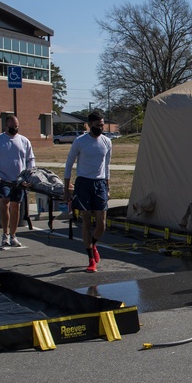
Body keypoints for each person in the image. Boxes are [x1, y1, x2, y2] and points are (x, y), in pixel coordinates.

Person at [64, 111, 113, 273]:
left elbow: (106, 167)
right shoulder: (80, 141)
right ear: (90, 124)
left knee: (101, 223)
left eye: (102, 124)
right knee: (86, 221)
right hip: (83, 183)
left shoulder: (107, 142)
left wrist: (107, 187)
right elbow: (69, 163)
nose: (101, 127)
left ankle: (93, 244)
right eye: (98, 125)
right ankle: (91, 258)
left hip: (99, 184)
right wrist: (66, 188)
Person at [0, 115, 35, 248]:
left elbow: (30, 159)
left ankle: (13, 235)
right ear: (6, 126)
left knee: (15, 206)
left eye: (16, 126)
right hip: (2, 178)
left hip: (19, 179)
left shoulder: (24, 141)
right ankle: (5, 234)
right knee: (4, 202)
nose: (14, 129)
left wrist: (29, 175)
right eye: (12, 127)